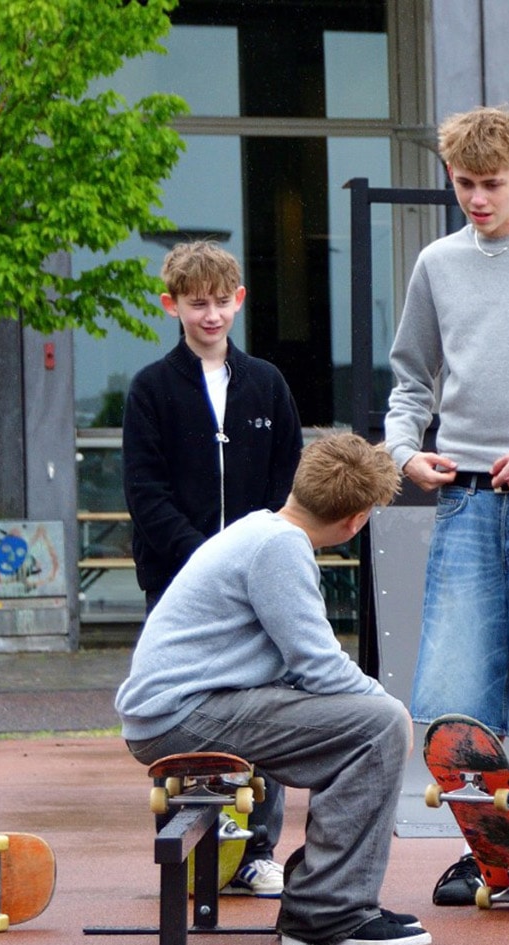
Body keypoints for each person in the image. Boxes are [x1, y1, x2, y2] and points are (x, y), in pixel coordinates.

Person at [383, 105, 509, 905]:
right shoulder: (437, 263)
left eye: (492, 185)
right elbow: (410, 380)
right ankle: (486, 848)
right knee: (460, 682)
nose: (477, 198)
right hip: (464, 497)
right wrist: (405, 453)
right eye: (464, 184)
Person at [116, 433, 428, 945]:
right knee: (380, 726)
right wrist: (391, 707)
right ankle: (327, 913)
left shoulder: (262, 529)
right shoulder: (280, 548)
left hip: (175, 709)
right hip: (182, 715)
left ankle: (326, 901)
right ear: (356, 520)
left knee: (366, 723)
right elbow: (320, 667)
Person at [122, 240, 303, 900]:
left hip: (259, 589)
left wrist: (261, 562)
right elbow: (145, 492)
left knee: (268, 704)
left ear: (239, 302)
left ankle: (257, 848)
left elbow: (288, 480)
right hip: (177, 585)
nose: (210, 316)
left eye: (221, 303)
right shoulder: (151, 390)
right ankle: (187, 845)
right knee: (183, 707)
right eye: (196, 304)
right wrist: (205, 561)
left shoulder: (267, 385)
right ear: (171, 305)